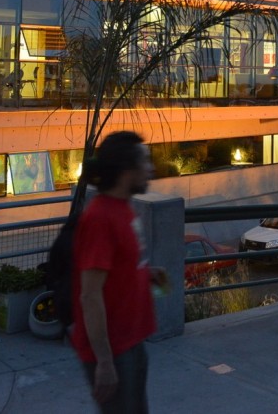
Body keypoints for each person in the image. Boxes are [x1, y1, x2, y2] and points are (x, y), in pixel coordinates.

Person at [71, 131, 165, 413]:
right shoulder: (100, 218)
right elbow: (90, 295)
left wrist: (145, 273)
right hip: (113, 351)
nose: (151, 169)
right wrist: (104, 361)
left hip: (131, 341)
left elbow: (116, 268)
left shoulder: (123, 209)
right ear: (127, 171)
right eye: (145, 163)